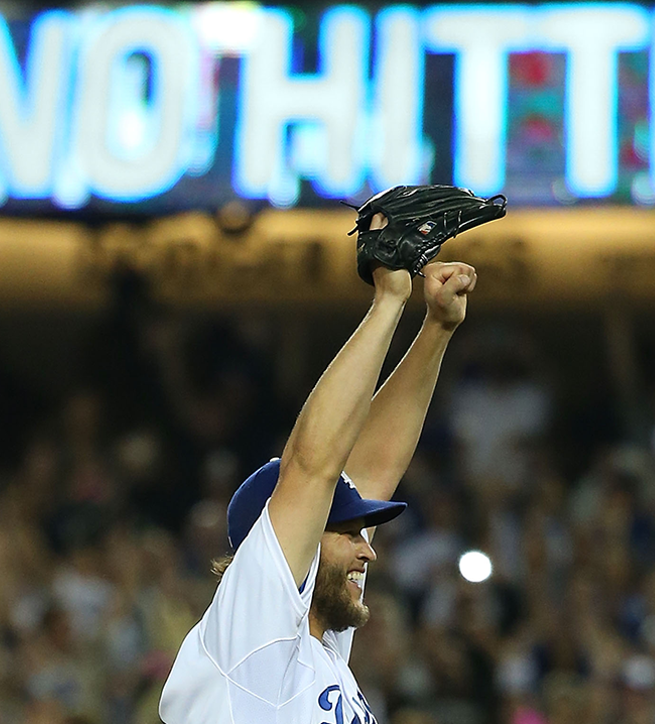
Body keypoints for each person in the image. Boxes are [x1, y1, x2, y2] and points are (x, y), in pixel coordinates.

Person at [159, 239, 478, 724]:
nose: (368, 550)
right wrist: (389, 299)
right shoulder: (255, 632)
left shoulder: (318, 646)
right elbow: (310, 468)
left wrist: (436, 328)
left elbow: (372, 470)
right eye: (348, 533)